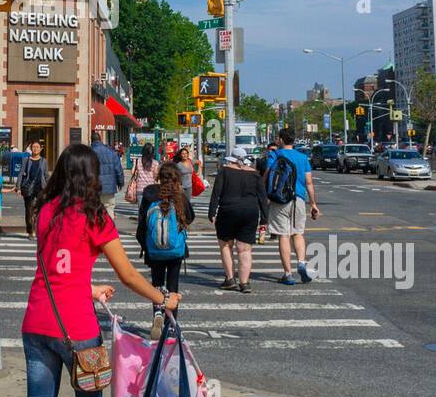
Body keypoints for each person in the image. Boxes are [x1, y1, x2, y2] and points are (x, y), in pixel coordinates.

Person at [6, 143, 180, 397]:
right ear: (92, 175)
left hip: (37, 320)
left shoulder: (46, 210)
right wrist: (164, 298)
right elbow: (127, 274)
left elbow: (58, 269)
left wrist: (90, 289)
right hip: (77, 327)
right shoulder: (95, 216)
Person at [136, 162, 194, 337]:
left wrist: (145, 246)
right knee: (172, 286)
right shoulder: (180, 196)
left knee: (157, 286)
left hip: (154, 251)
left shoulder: (149, 196)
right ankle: (170, 324)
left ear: (159, 177)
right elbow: (190, 217)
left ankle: (158, 314)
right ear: (176, 178)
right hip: (175, 251)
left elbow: (142, 225)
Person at [207, 146, 269, 293]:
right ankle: (245, 283)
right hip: (250, 212)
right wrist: (264, 220)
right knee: (245, 249)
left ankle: (229, 279)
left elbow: (216, 193)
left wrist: (212, 212)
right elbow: (262, 198)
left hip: (228, 210)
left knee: (226, 245)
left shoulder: (225, 171)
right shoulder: (255, 175)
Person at [267, 130, 321, 285]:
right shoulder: (303, 157)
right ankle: (302, 263)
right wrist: (313, 204)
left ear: (282, 139)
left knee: (283, 235)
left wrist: (264, 195)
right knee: (297, 233)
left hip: (280, 199)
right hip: (299, 199)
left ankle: (288, 274)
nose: (276, 140)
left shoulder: (275, 155)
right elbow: (309, 183)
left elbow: (268, 175)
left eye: (277, 137)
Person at [90, 130, 125, 218]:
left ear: (91, 140)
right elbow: (118, 169)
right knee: (109, 208)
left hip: (94, 187)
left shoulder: (89, 152)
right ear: (101, 139)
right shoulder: (111, 152)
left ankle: (96, 230)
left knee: (94, 210)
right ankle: (109, 230)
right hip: (109, 188)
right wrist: (120, 182)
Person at [20, 140, 48, 233]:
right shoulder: (26, 160)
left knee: (40, 210)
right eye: (33, 147)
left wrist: (49, 187)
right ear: (31, 148)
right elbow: (21, 173)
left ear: (40, 149)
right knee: (29, 210)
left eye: (37, 147)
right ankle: (30, 231)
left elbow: (46, 175)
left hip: (40, 188)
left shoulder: (44, 161)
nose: (35, 149)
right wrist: (18, 187)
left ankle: (37, 228)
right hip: (28, 187)